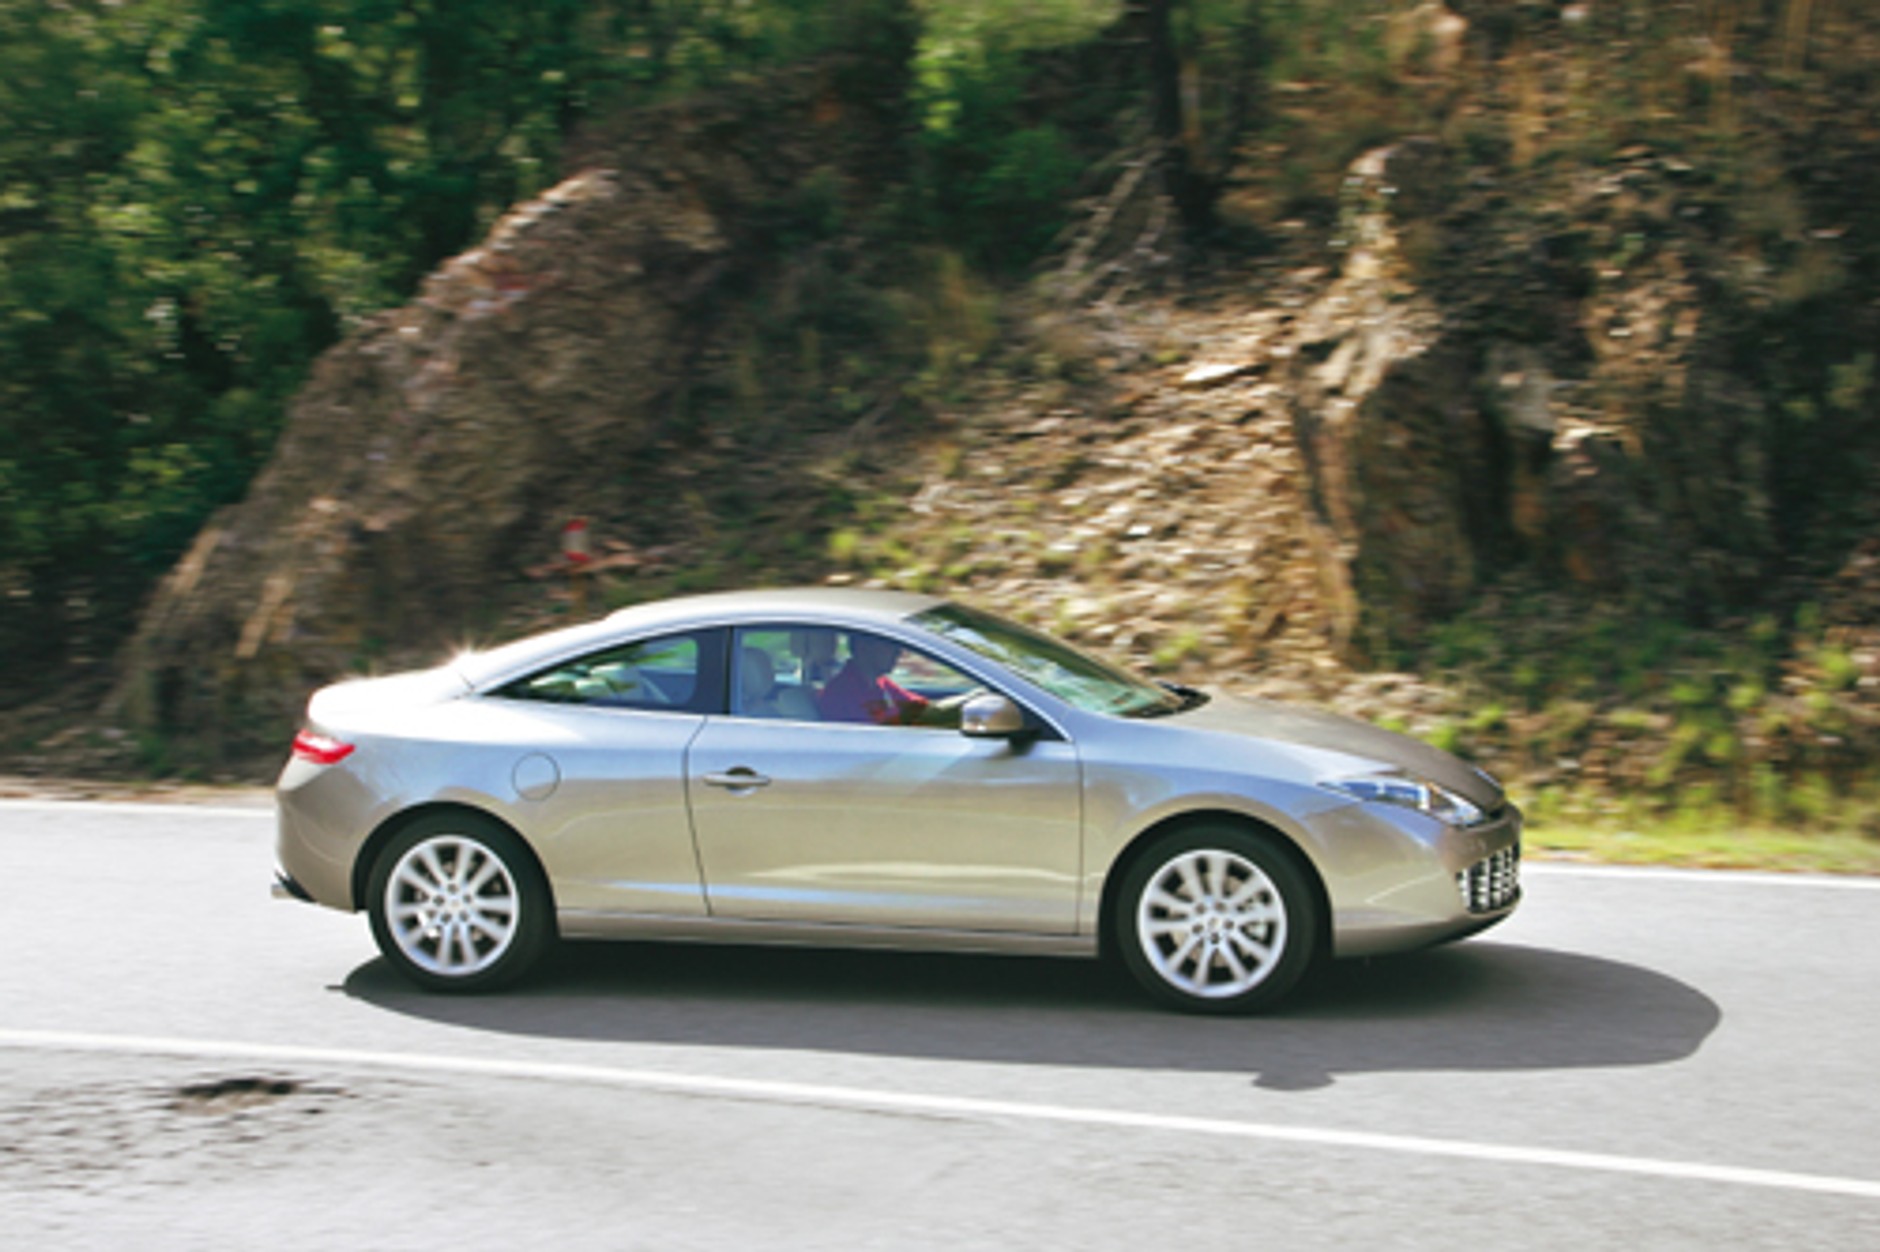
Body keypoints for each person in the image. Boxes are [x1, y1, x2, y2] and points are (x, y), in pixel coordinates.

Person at [815, 633, 931, 726]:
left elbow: (916, 704)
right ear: (864, 647)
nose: (898, 653)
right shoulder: (841, 694)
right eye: (890, 646)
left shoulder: (879, 682)